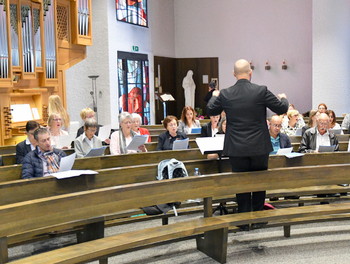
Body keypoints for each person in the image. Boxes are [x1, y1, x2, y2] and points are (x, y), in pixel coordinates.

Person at [206, 59, 288, 231]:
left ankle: (243, 220)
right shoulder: (260, 91)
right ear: (250, 73)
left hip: (236, 147)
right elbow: (280, 108)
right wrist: (284, 98)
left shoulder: (226, 93)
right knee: (259, 182)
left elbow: (211, 110)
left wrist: (214, 95)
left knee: (241, 182)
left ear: (233, 74)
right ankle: (258, 218)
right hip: (259, 146)